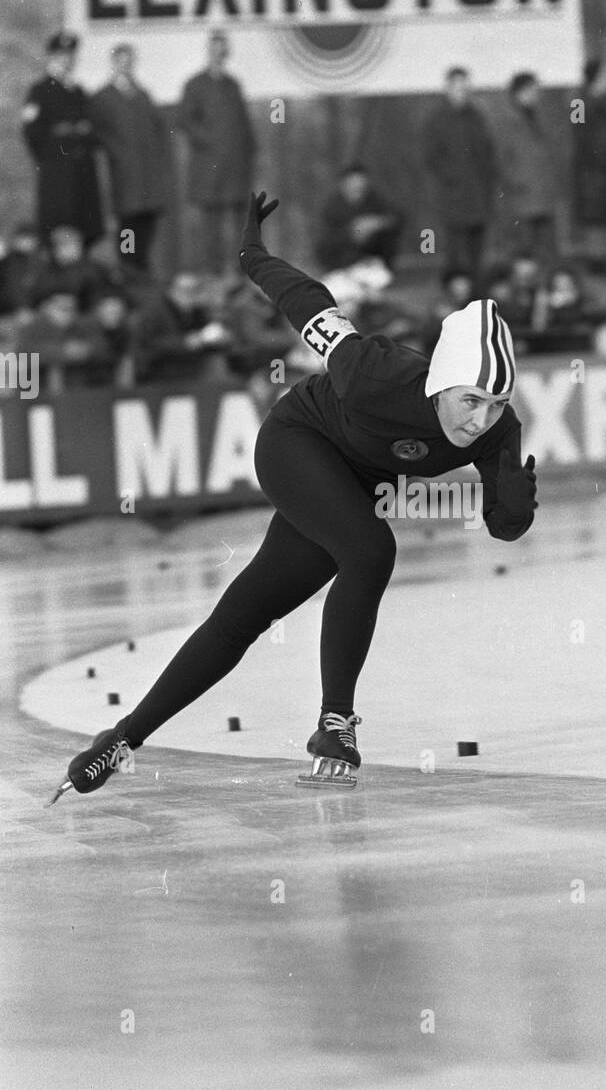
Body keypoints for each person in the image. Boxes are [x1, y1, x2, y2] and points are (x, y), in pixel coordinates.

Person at [51, 191, 538, 805]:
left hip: (353, 483)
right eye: (471, 400)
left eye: (495, 405)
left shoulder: (497, 429)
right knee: (368, 549)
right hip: (296, 443)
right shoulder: (373, 372)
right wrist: (252, 252)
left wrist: (514, 510)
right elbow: (307, 302)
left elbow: (502, 523)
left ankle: (120, 740)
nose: (480, 420)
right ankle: (335, 724)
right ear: (441, 384)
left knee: (245, 615)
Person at [178, 30, 257, 273]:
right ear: (208, 51)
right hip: (209, 168)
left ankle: (239, 271)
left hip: (235, 167)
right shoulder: (195, 84)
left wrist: (248, 152)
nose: (218, 55)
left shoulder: (233, 84)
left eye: (222, 50)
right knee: (210, 223)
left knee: (238, 222)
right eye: (214, 49)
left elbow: (244, 125)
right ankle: (211, 272)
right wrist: (212, 142)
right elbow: (186, 120)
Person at [89, 44, 172, 272]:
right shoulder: (103, 98)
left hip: (148, 180)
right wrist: (118, 154)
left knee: (146, 226)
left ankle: (141, 268)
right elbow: (98, 134)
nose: (125, 67)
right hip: (124, 178)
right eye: (121, 62)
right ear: (114, 63)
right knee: (128, 226)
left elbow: (158, 130)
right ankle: (127, 268)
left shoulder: (142, 95)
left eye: (129, 62)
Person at [21, 31, 104, 248]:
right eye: (61, 55)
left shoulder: (78, 92)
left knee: (84, 226)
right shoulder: (40, 91)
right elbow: (32, 133)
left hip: (82, 172)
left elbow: (94, 130)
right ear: (51, 57)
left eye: (71, 55)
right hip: (58, 173)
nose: (67, 60)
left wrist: (80, 132)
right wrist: (55, 153)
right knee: (59, 227)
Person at [423, 67, 498, 278]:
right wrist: (453, 178)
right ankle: (455, 295)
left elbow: (487, 151)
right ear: (447, 89)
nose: (461, 92)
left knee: (477, 251)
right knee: (455, 251)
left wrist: (486, 180)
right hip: (453, 197)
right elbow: (431, 157)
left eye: (465, 87)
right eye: (456, 87)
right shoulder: (436, 119)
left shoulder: (477, 116)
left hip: (479, 195)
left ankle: (476, 292)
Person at [499, 72, 558, 266]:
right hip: (522, 196)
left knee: (546, 249)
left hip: (542, 194)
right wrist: (517, 182)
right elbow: (501, 159)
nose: (535, 94)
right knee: (524, 250)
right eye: (530, 90)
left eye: (536, 90)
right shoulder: (507, 121)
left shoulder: (539, 117)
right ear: (518, 93)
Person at [571, 58, 606, 253]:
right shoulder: (579, 101)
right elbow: (578, 133)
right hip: (591, 170)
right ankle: (597, 258)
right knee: (593, 215)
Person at [316, 163, 402, 271]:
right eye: (353, 183)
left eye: (361, 183)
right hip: (340, 262)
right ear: (344, 184)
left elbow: (396, 216)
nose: (358, 186)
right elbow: (327, 239)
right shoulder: (332, 207)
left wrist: (376, 222)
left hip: (373, 259)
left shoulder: (374, 200)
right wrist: (356, 230)